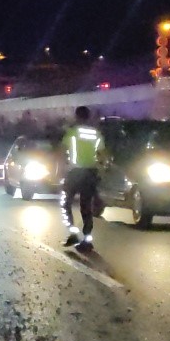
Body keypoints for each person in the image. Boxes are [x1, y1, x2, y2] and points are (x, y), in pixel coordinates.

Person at [59, 106, 107, 249]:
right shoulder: (96, 134)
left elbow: (62, 151)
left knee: (65, 203)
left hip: (74, 172)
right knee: (86, 207)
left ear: (77, 117)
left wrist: (61, 170)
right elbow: (102, 154)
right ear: (89, 117)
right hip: (90, 173)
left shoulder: (72, 133)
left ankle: (73, 233)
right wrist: (101, 169)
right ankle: (87, 240)